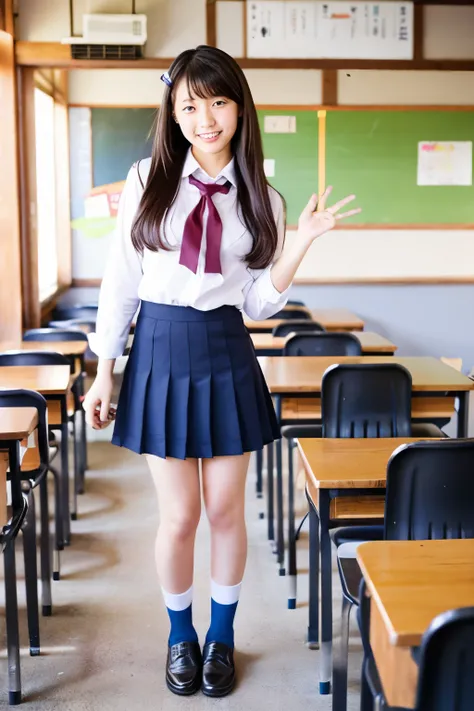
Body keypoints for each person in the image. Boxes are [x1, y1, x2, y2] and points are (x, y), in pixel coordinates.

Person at [83, 44, 360, 698]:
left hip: (225, 346)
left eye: (218, 101)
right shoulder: (145, 177)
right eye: (190, 105)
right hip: (158, 344)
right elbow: (120, 282)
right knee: (179, 515)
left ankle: (222, 634)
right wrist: (104, 369)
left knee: (225, 509)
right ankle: (181, 634)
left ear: (239, 106)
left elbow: (260, 300)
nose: (205, 117)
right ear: (173, 113)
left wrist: (300, 246)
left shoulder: (262, 194)